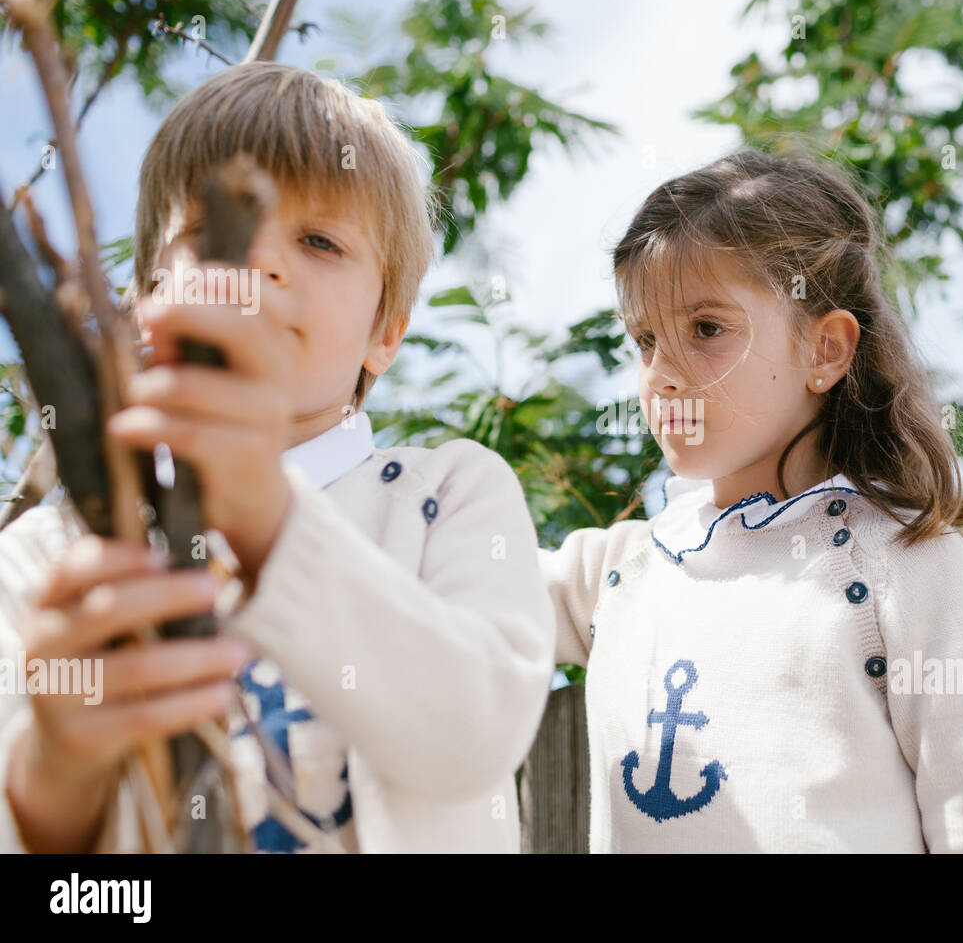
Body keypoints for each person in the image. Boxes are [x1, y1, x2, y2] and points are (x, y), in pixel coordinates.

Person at [0, 62, 554, 853]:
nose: (263, 262)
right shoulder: (46, 561)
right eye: (211, 229)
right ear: (145, 293)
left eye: (321, 240)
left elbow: (478, 733)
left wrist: (268, 515)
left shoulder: (452, 497)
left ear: (385, 333)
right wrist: (57, 763)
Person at [540, 150, 963, 853]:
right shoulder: (615, 575)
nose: (662, 374)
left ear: (825, 350)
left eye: (705, 329)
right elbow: (432, 598)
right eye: (644, 339)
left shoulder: (908, 566)